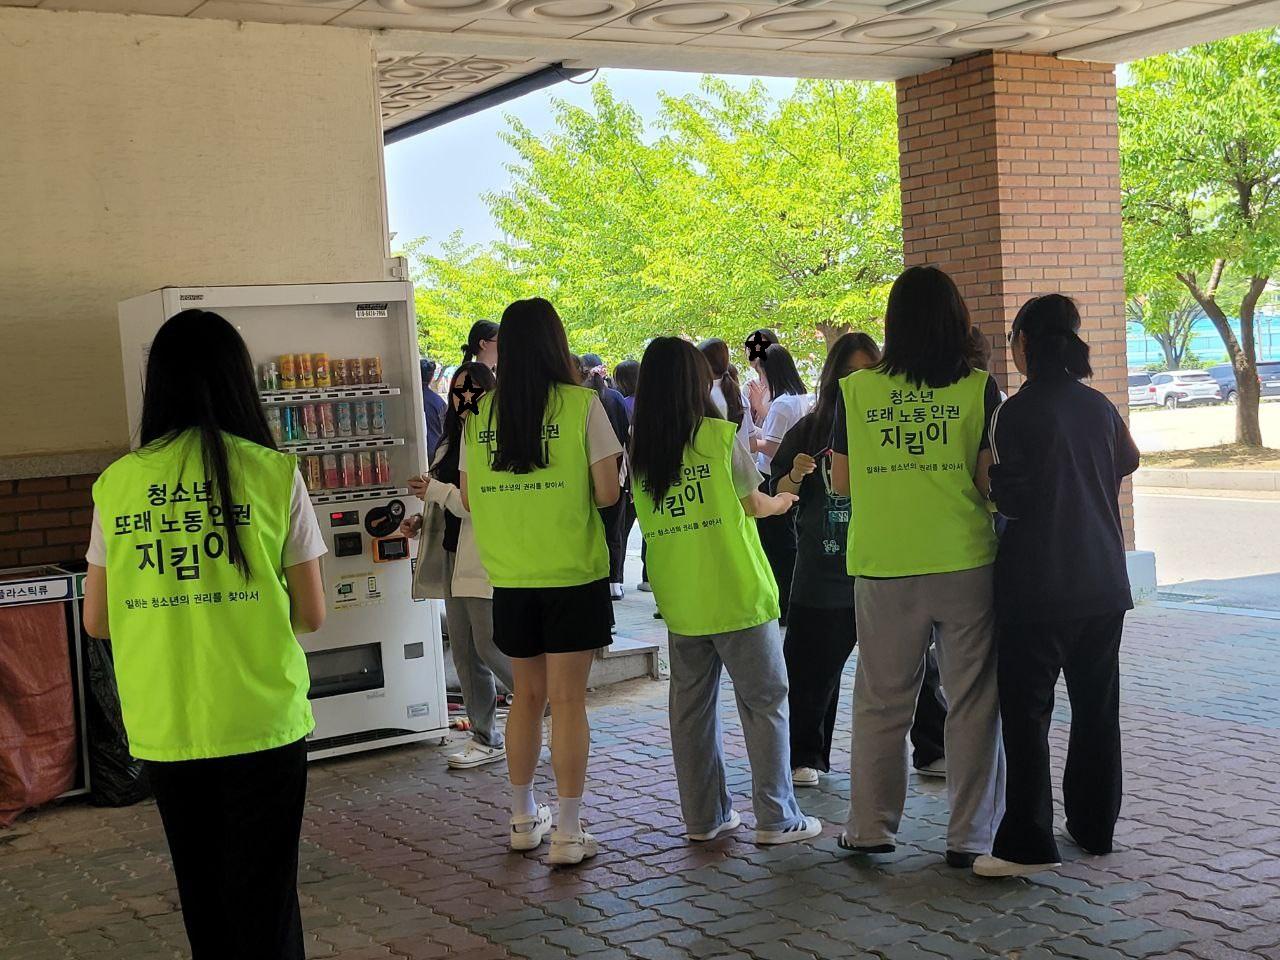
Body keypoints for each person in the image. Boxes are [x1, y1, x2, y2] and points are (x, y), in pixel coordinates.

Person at [82, 309, 327, 960]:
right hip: (262, 718)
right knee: (266, 899)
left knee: (203, 898)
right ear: (235, 380)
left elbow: (96, 620)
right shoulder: (275, 475)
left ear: (156, 384)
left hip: (168, 722)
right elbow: (312, 612)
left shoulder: (118, 484)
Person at [832, 265, 1005, 868]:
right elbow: (991, 480)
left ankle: (871, 827)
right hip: (964, 561)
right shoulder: (978, 387)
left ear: (893, 325)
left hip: (884, 564)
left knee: (882, 701)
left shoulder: (857, 392)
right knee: (973, 700)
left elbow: (842, 483)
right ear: (956, 319)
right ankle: (971, 837)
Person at [630, 337, 821, 847]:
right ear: (696, 384)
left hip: (681, 600)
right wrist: (786, 499)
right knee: (765, 702)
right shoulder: (718, 437)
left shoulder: (640, 452)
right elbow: (755, 505)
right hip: (737, 592)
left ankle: (704, 817)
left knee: (690, 713)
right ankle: (777, 817)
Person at [974, 295, 1140, 878]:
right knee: (1097, 708)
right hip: (1101, 581)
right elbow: (1128, 461)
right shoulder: (1098, 405)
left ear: (1024, 342)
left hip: (1036, 586)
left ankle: (1027, 842)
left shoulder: (1016, 412)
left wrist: (991, 483)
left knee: (1028, 714)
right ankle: (1095, 828)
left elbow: (1011, 496)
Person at [460, 297, 621, 866]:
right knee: (569, 701)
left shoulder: (478, 416)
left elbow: (470, 499)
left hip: (509, 578)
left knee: (525, 699)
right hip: (573, 572)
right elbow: (607, 493)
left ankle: (523, 819)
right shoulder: (582, 406)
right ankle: (569, 833)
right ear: (556, 344)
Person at [403, 361, 511, 771]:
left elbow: (478, 503)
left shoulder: (492, 437)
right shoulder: (452, 438)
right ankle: (485, 736)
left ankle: (545, 705)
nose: (464, 399)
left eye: (474, 390)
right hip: (451, 551)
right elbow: (450, 500)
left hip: (483, 555)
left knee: (489, 644)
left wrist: (436, 491)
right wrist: (421, 515)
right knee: (466, 652)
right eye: (458, 391)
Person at [754, 343, 811, 626]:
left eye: (761, 372)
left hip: (774, 480)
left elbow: (773, 447)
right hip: (798, 477)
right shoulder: (802, 397)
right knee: (789, 544)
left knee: (776, 547)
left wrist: (748, 440)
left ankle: (783, 604)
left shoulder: (781, 405)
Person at [579, 353, 631, 600]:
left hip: (585, 475)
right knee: (614, 529)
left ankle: (599, 579)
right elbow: (626, 436)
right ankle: (616, 581)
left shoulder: (580, 401)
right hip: (618, 471)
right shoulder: (615, 398)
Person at [700, 338, 752, 451]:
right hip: (740, 464)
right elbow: (750, 440)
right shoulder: (738, 394)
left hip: (719, 464)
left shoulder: (705, 397)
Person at [742, 327, 780, 428]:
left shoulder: (783, 388)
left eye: (760, 347)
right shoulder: (748, 386)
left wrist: (759, 407)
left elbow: (779, 428)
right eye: (750, 348)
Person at [421, 357, 446, 461]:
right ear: (431, 377)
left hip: (419, 450)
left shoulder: (409, 400)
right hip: (436, 451)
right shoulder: (438, 402)